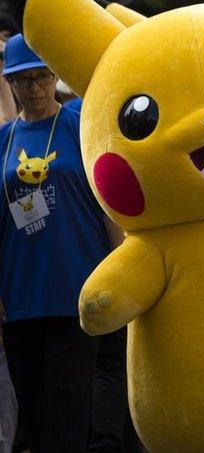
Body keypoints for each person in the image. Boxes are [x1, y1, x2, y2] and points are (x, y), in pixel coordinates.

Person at [0, 34, 125, 452]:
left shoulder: (80, 127)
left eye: (42, 77)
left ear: (55, 76)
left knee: (67, 409)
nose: (34, 88)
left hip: (76, 289)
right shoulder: (4, 141)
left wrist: (118, 272)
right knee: (33, 414)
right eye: (23, 80)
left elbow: (108, 207)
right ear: (9, 83)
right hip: (19, 297)